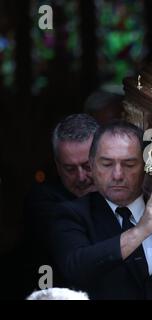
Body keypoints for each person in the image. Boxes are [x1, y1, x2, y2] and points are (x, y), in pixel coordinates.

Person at [49, 121, 152, 299]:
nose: (117, 175)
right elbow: (75, 268)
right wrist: (140, 231)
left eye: (129, 164)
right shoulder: (70, 214)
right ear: (93, 166)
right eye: (107, 164)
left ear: (146, 167)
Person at [23, 114, 99, 295]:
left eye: (87, 166)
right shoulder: (42, 200)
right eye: (70, 169)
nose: (81, 177)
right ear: (57, 166)